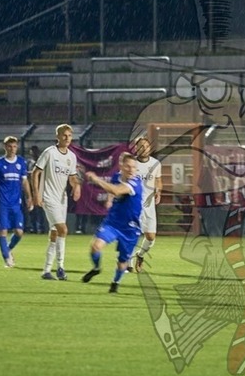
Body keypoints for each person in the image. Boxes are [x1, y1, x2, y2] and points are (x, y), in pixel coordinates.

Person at [81, 152, 143, 293]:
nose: (131, 170)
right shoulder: (117, 176)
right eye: (128, 166)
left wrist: (96, 179)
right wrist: (109, 200)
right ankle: (96, 268)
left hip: (130, 229)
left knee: (122, 262)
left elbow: (116, 190)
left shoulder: (135, 183)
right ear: (121, 166)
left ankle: (115, 283)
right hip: (113, 223)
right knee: (95, 246)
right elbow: (113, 189)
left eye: (134, 167)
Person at [32, 124, 81, 280]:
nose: (67, 138)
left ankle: (46, 270)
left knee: (55, 233)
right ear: (57, 136)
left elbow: (72, 177)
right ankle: (60, 267)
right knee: (63, 229)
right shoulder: (50, 152)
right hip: (48, 197)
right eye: (64, 135)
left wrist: (77, 186)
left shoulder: (71, 156)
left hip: (62, 199)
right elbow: (35, 172)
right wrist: (36, 194)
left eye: (69, 135)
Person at [0, 136, 33, 267]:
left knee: (19, 232)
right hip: (2, 203)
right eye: (9, 146)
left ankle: (8, 249)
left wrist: (29, 197)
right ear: (5, 147)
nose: (12, 149)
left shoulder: (21, 162)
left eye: (14, 146)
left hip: (16, 203)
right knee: (3, 232)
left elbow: (25, 182)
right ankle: (7, 258)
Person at [130, 136, 162, 273]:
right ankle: (128, 262)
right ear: (136, 148)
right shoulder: (131, 163)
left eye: (146, 146)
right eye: (141, 146)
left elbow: (158, 180)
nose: (144, 149)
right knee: (133, 234)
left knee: (151, 237)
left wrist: (158, 191)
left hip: (149, 206)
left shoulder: (155, 164)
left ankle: (140, 255)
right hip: (133, 204)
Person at [26, 145, 46, 234]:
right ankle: (32, 226)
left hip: (39, 188)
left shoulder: (41, 162)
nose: (33, 154)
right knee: (31, 208)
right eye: (32, 152)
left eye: (34, 152)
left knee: (39, 208)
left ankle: (40, 227)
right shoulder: (28, 163)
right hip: (30, 188)